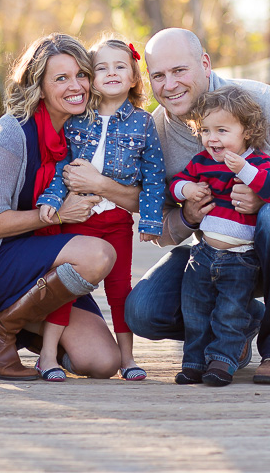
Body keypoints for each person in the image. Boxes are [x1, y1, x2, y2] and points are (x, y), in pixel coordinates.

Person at [124, 27, 270, 385]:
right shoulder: (154, 133)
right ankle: (238, 326)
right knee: (143, 312)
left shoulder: (261, 103)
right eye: (158, 75)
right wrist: (188, 215)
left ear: (204, 64)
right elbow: (159, 225)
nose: (170, 84)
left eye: (180, 71)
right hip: (215, 259)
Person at [0, 33, 122, 381]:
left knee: (102, 362)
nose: (75, 85)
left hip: (47, 262)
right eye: (60, 78)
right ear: (40, 87)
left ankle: (14, 327)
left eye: (81, 74)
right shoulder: (12, 134)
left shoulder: (85, 135)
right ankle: (0, 329)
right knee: (98, 255)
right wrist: (59, 215)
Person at [36, 36, 165, 382]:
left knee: (120, 288)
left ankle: (127, 359)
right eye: (102, 67)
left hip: (117, 221)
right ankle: (46, 356)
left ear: (135, 77)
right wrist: (50, 200)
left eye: (120, 66)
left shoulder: (143, 123)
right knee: (68, 284)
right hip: (80, 217)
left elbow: (154, 176)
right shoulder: (79, 121)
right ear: (91, 77)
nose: (111, 73)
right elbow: (64, 166)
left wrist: (151, 219)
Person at [169, 85, 270, 386]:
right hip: (204, 253)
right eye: (205, 131)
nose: (212, 138)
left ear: (246, 131)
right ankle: (194, 362)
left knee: (230, 313)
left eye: (222, 130)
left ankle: (222, 362)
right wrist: (188, 190)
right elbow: (177, 184)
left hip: (241, 258)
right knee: (194, 309)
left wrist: (245, 170)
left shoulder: (258, 162)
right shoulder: (202, 162)